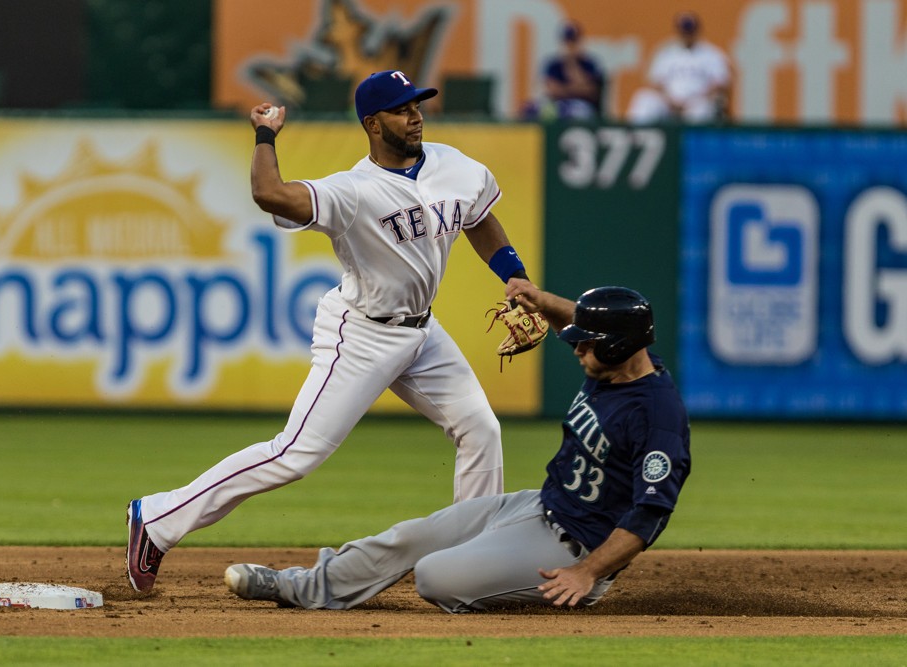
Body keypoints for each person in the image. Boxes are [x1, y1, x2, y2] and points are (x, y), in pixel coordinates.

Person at [125, 70, 536, 593]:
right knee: (295, 454)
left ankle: (470, 559)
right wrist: (266, 135)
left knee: (481, 430)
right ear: (372, 123)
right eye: (401, 109)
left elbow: (478, 218)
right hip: (362, 334)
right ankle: (156, 519)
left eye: (417, 104)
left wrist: (514, 274)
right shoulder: (352, 191)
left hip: (422, 332)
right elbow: (270, 194)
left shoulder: (457, 166)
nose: (415, 115)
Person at [224, 284, 692, 612]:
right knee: (409, 538)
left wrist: (588, 572)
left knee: (434, 578)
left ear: (617, 347)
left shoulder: (659, 417)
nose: (574, 349)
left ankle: (538, 597)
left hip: (575, 549)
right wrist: (537, 297)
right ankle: (298, 586)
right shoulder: (621, 359)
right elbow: (582, 319)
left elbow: (650, 514)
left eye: (586, 344)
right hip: (535, 505)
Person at [627, 11, 731, 124]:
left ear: (697, 30)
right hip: (669, 102)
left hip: (697, 101)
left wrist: (694, 100)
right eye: (684, 30)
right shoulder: (666, 52)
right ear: (678, 30)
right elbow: (655, 82)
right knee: (643, 98)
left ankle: (691, 141)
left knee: (701, 109)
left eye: (690, 30)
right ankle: (634, 139)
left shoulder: (711, 53)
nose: (687, 34)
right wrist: (671, 102)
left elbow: (720, 83)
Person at [523, 21, 605, 121]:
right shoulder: (553, 64)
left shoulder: (589, 64)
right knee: (530, 109)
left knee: (578, 113)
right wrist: (575, 89)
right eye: (567, 42)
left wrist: (571, 63)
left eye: (573, 42)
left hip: (581, 105)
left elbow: (589, 90)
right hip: (558, 104)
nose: (569, 46)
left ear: (579, 42)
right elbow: (552, 90)